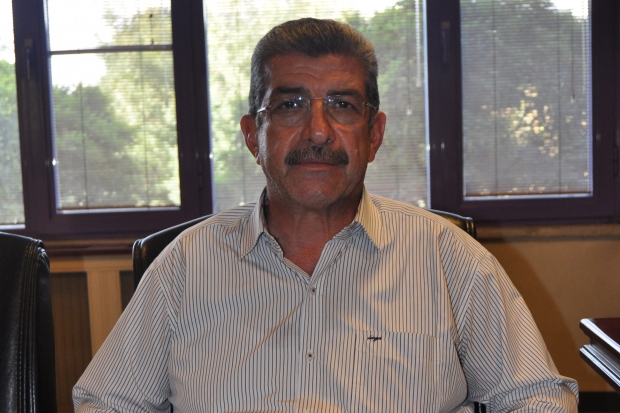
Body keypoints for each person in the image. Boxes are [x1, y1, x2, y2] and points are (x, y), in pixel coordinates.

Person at [73, 18, 578, 413]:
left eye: (342, 105)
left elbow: (536, 397)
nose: (318, 131)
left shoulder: (450, 260)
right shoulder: (185, 265)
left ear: (374, 135)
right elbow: (107, 402)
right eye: (290, 105)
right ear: (253, 136)